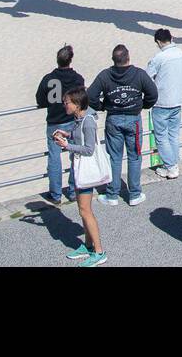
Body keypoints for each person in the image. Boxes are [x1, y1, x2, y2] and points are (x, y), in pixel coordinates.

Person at [87, 45, 158, 206]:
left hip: (114, 119)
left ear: (113, 60)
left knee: (115, 157)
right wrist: (141, 105)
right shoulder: (139, 74)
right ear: (128, 57)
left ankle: (112, 194)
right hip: (133, 119)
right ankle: (134, 194)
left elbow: (90, 96)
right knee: (134, 156)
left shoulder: (105, 75)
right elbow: (153, 94)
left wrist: (103, 106)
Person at [56, 87, 107, 266]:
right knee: (82, 210)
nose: (64, 105)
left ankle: (99, 251)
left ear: (77, 104)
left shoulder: (88, 121)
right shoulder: (78, 119)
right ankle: (88, 245)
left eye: (67, 103)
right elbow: (80, 138)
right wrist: (67, 135)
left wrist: (67, 146)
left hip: (86, 170)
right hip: (78, 169)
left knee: (86, 211)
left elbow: (89, 149)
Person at [35, 45, 84, 203]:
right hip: (73, 121)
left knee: (54, 158)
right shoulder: (77, 78)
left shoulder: (49, 78)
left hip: (55, 121)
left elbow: (40, 99)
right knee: (75, 155)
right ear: (70, 60)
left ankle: (56, 194)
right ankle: (72, 191)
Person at [147, 28, 182, 179]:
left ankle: (171, 167)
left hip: (162, 102)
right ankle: (172, 163)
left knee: (162, 136)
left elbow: (147, 77)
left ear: (158, 42)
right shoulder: (180, 53)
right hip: (177, 101)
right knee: (173, 135)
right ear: (171, 38)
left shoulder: (159, 58)